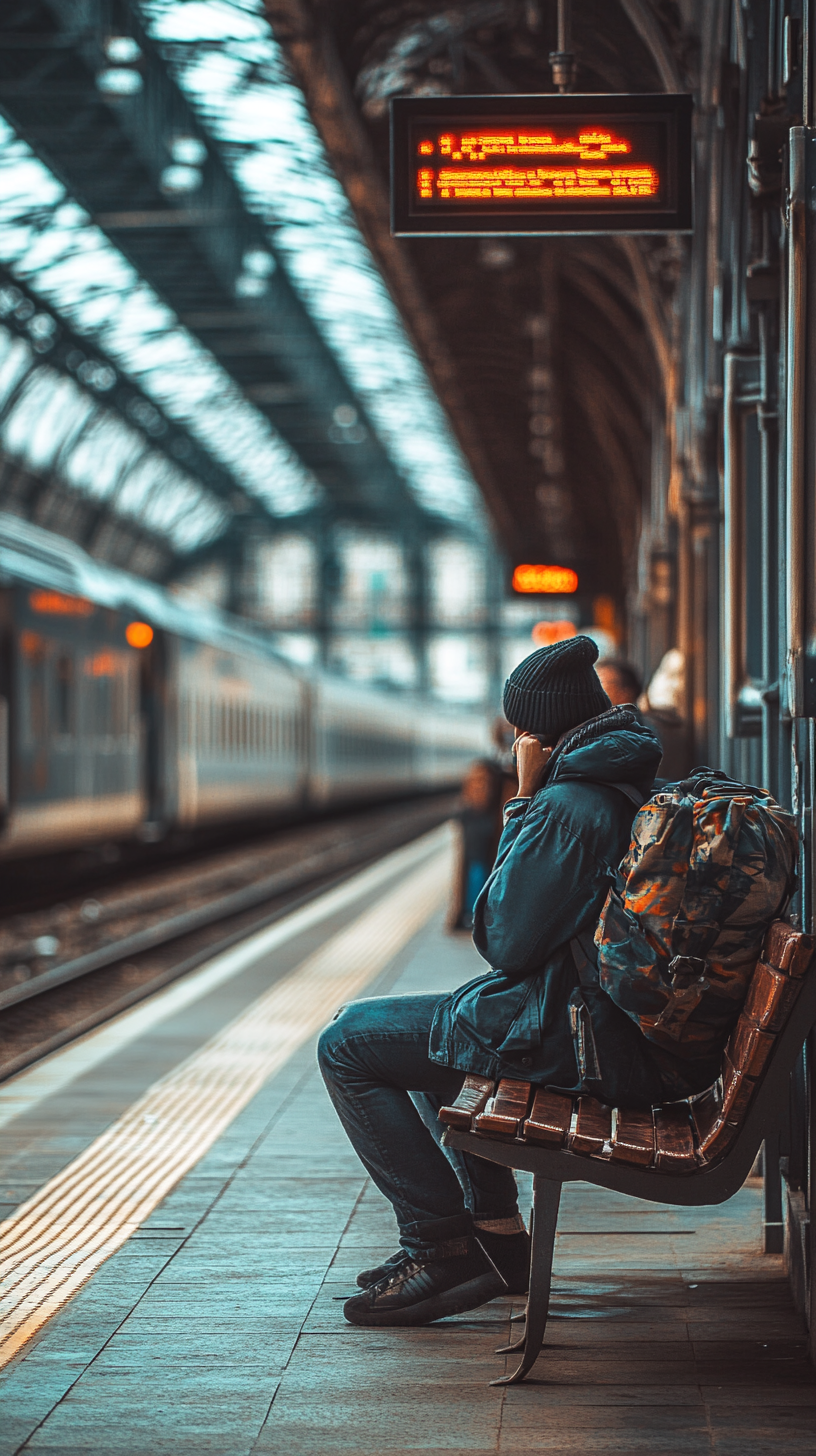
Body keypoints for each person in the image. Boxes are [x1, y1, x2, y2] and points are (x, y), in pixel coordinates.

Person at [317, 636, 663, 1328]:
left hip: (580, 1034)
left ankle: (442, 1246)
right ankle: (498, 1239)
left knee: (350, 1045)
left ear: (536, 729)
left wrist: (523, 800)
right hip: (589, 1018)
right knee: (427, 1029)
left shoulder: (571, 804)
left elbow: (501, 938)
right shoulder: (612, 780)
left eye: (518, 726)